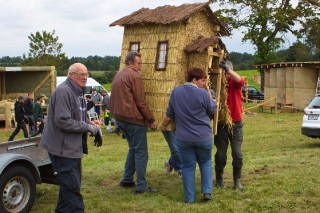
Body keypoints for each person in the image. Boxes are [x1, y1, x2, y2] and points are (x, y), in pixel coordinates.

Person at [40, 63, 101, 212]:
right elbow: (63, 121)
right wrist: (88, 128)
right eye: (81, 74)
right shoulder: (64, 92)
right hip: (62, 151)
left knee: (67, 189)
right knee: (73, 193)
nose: (85, 77)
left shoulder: (77, 92)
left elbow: (76, 117)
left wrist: (88, 122)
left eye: (86, 74)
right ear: (71, 75)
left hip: (71, 149)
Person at [160, 68, 216, 203]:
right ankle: (207, 192)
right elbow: (212, 109)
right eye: (202, 81)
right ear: (194, 80)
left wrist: (163, 125)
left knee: (187, 167)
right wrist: (209, 96)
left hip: (184, 138)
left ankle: (189, 198)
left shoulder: (175, 92)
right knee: (206, 162)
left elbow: (170, 114)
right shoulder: (203, 93)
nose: (204, 84)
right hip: (203, 137)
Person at [110, 51, 158, 194]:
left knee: (133, 149)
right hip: (133, 119)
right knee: (142, 152)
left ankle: (127, 179)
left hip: (120, 118)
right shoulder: (135, 76)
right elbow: (141, 102)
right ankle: (142, 186)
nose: (141, 66)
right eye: (139, 63)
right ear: (130, 63)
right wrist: (151, 119)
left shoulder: (118, 74)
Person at [214, 60, 245, 190]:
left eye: (228, 73)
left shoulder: (234, 84)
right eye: (224, 72)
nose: (226, 75)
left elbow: (241, 80)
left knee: (237, 153)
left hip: (236, 124)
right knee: (221, 154)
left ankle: (237, 180)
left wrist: (229, 70)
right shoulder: (218, 86)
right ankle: (219, 178)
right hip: (221, 124)